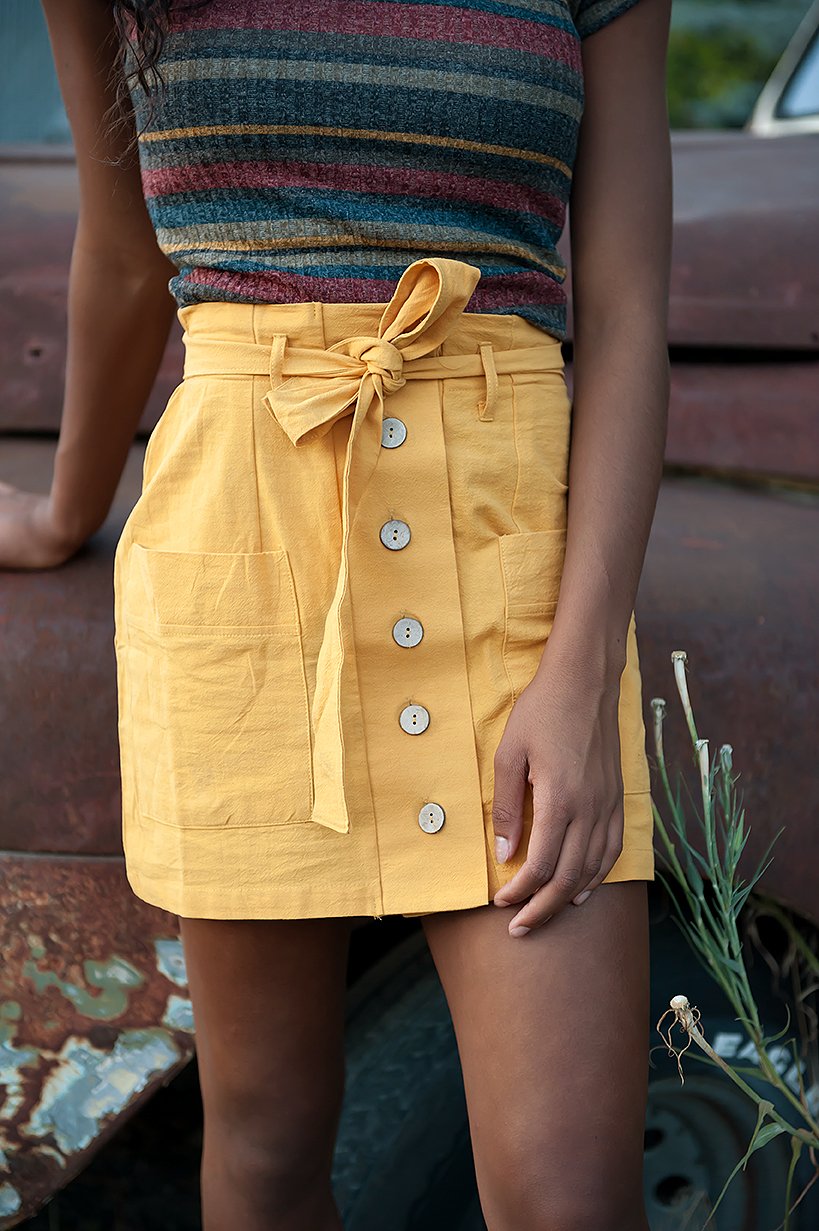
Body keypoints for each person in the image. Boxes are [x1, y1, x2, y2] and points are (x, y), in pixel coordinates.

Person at [4, 1, 672, 1227]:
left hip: (516, 569)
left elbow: (628, 309)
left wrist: (578, 682)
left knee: (572, 1193)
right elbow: (121, 252)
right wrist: (63, 510)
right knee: (268, 1142)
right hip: (240, 558)